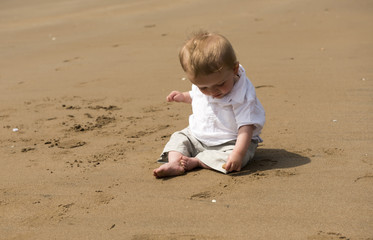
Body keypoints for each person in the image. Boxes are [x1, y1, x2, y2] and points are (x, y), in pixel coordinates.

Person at [153, 31, 265, 178]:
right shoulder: (205, 84)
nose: (212, 92)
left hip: (230, 141)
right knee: (179, 138)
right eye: (203, 88)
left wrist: (238, 153)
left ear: (234, 69)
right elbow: (197, 97)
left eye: (220, 84)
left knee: (235, 159)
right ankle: (174, 162)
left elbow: (246, 127)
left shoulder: (242, 95)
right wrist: (184, 96)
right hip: (197, 135)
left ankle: (198, 161)